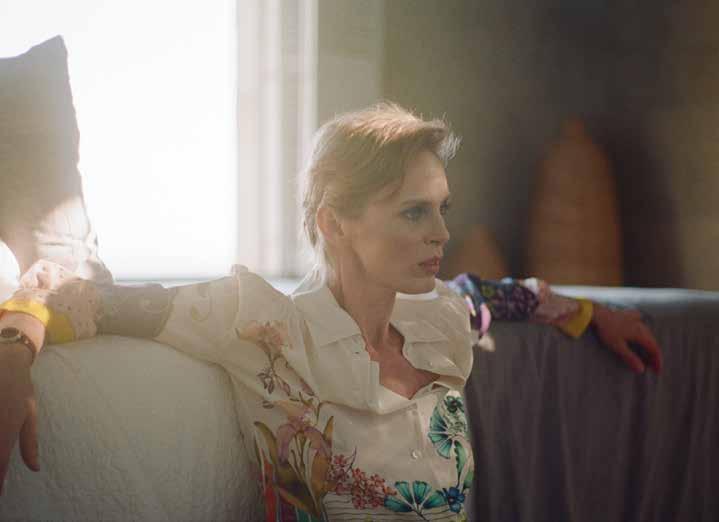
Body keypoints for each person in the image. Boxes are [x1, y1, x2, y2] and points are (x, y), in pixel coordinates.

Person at [0, 102, 662, 520]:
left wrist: (589, 314)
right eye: (413, 212)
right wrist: (12, 354)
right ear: (334, 223)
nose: (440, 232)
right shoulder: (260, 324)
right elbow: (65, 290)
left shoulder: (439, 317)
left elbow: (502, 295)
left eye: (442, 209)